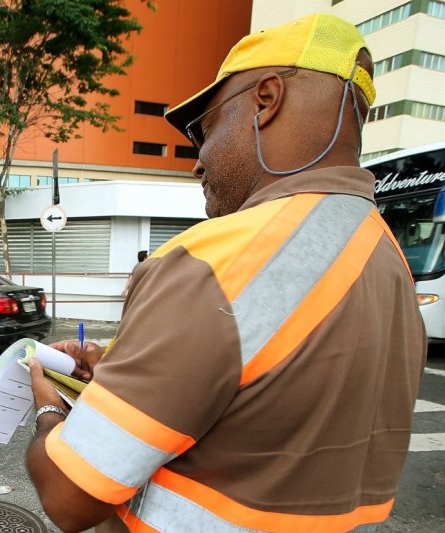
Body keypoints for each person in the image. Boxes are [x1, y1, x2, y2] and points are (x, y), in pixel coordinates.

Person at [25, 13, 426, 533]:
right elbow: (263, 410)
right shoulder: (391, 264)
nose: (197, 162)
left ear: (266, 99)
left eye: (204, 130)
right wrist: (119, 375)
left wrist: (48, 408)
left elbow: (69, 497)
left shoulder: (216, 257)